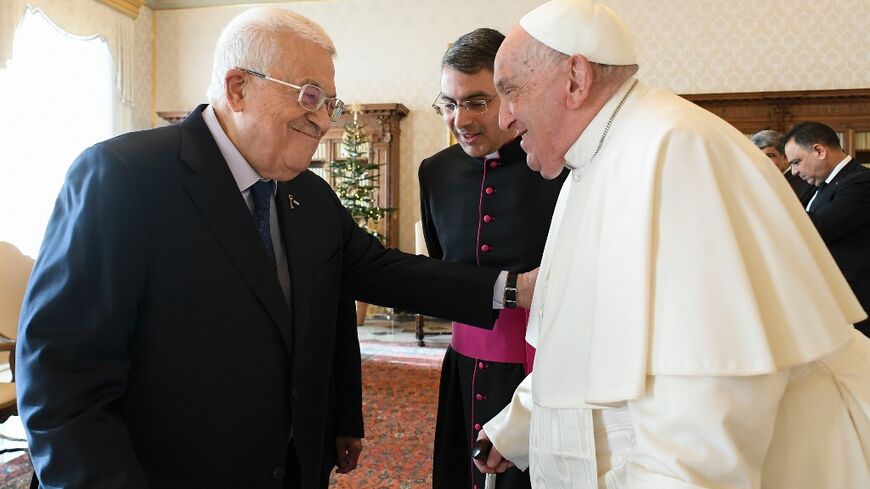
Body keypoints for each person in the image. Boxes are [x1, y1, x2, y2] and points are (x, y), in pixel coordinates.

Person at [15, 7, 533, 489]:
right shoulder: (123, 179)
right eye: (309, 96)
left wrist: (514, 288)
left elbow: (387, 272)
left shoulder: (307, 193)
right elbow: (62, 385)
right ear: (238, 87)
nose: (325, 120)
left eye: (329, 103)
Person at [472, 1, 870, 488]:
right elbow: (584, 338)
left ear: (575, 79)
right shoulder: (596, 160)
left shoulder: (676, 152)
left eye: (510, 92)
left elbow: (708, 409)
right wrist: (520, 426)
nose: (505, 117)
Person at [420, 28, 566, 489]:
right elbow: (444, 269)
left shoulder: (556, 165)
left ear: (511, 95)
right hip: (463, 369)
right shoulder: (434, 172)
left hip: (544, 372)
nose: (459, 119)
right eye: (448, 103)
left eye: (477, 102)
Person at [784, 121, 870, 337]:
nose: (794, 172)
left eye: (796, 162)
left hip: (859, 302)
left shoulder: (861, 182)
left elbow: (818, 229)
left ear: (819, 151)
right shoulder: (822, 186)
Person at [751, 129, 815, 206]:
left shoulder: (803, 183)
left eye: (769, 155)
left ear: (785, 157)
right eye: (757, 156)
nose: (762, 160)